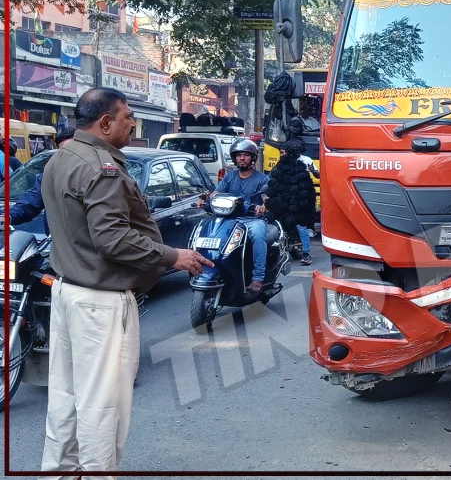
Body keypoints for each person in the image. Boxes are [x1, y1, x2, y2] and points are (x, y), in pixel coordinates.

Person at [39, 88, 212, 477]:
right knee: (103, 405)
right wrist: (174, 256)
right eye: (127, 116)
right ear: (105, 123)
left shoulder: (60, 158)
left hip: (68, 292)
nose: (133, 123)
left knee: (65, 399)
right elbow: (112, 239)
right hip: (100, 302)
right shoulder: (102, 168)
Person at [200, 139, 271, 292]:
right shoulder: (229, 177)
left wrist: (263, 206)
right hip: (229, 218)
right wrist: (207, 198)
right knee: (208, 230)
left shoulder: (262, 179)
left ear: (252, 158)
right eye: (239, 155)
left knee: (259, 234)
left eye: (246, 155)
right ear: (234, 158)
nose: (242, 158)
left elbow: (267, 199)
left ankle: (258, 277)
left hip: (251, 219)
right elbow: (217, 193)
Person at [5, 129, 76, 230]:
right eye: (63, 152)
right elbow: (31, 201)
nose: (69, 157)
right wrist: (7, 216)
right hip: (55, 242)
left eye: (72, 151)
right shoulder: (50, 176)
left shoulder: (96, 173)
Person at [265, 140, 318, 266]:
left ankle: (306, 253)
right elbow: (273, 179)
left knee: (301, 226)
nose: (282, 154)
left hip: (300, 200)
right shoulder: (281, 164)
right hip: (283, 199)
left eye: (284, 152)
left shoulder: (305, 161)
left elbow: (313, 179)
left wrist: (312, 171)